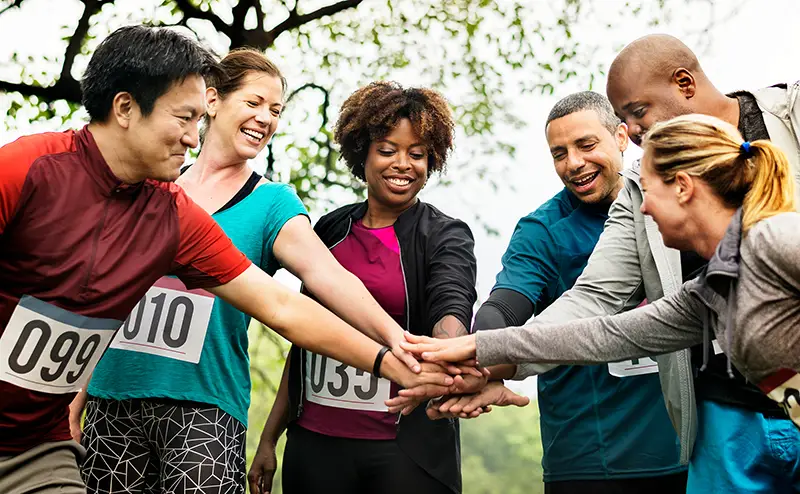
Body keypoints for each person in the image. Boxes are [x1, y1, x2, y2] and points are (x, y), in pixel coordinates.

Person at [0, 27, 450, 494]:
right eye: (184, 117)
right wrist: (80, 394)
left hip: (107, 433)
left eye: (276, 110)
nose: (192, 139)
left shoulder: (177, 217)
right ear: (127, 108)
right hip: (109, 409)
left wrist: (395, 356)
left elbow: (286, 304)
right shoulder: (31, 170)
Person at [401, 34, 800, 494]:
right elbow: (604, 319)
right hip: (726, 423)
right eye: (558, 153)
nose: (633, 133)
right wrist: (482, 356)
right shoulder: (704, 294)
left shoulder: (777, 226)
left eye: (636, 114)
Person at [401, 113, 800, 430]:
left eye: (645, 191)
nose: (642, 208)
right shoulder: (706, 294)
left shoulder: (774, 241)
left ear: (681, 186)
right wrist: (476, 350)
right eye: (559, 152)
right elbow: (605, 333)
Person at [249, 81, 484, 494]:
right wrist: (270, 437)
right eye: (388, 150)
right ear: (363, 153)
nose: (403, 164)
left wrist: (452, 350)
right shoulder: (329, 228)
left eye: (417, 154)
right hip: (315, 446)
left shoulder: (445, 235)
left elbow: (452, 307)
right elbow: (306, 340)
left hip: (403, 454)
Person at [468, 91, 685, 493]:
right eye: (559, 153)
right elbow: (505, 305)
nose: (574, 163)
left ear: (622, 137)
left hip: (685, 448)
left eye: (586, 145)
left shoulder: (677, 204)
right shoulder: (543, 229)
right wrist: (479, 354)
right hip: (588, 457)